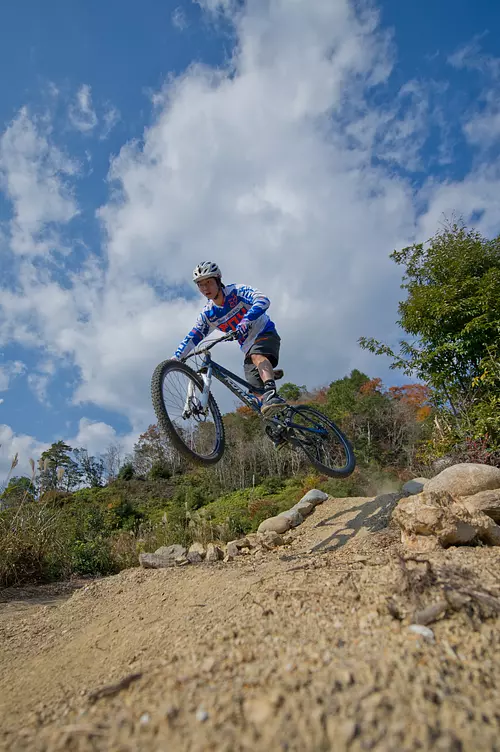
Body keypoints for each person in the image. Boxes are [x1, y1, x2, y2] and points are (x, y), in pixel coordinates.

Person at [173, 261, 287, 416]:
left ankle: (272, 393)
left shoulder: (237, 292)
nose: (205, 288)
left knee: (257, 355)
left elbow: (263, 300)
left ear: (218, 280)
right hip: (247, 347)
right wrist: (176, 358)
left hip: (264, 332)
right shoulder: (209, 314)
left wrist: (246, 321)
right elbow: (193, 336)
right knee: (255, 390)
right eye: (201, 285)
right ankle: (279, 421)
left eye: (209, 283)